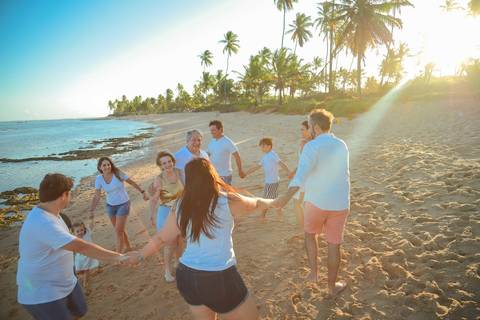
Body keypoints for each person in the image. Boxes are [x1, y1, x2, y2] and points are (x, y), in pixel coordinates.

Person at [126, 158, 276, 320]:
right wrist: (275, 202)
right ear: (212, 175)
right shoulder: (227, 200)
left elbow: (162, 237)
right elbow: (258, 203)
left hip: (187, 276)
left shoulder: (181, 204)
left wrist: (140, 255)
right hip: (219, 276)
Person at [16, 173, 124, 320]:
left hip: (66, 282)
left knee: (79, 311)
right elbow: (81, 247)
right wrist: (120, 258)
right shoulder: (43, 223)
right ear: (63, 195)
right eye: (70, 193)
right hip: (43, 293)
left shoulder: (52, 213)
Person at [274, 109, 350, 296]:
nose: (308, 128)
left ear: (316, 127)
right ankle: (332, 288)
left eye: (309, 125)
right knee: (334, 245)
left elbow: (301, 175)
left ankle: (314, 273)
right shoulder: (341, 144)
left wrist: (284, 198)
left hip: (316, 201)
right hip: (340, 203)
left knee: (310, 235)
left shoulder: (312, 147)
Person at [88, 157, 148, 253]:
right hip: (110, 206)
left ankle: (118, 254)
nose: (107, 167)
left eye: (108, 164)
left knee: (118, 231)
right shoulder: (99, 179)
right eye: (104, 165)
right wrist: (91, 210)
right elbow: (97, 196)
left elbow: (131, 182)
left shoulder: (118, 173)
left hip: (123, 204)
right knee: (119, 229)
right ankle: (128, 247)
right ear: (100, 167)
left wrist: (142, 192)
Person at [149, 151, 184, 282]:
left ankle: (178, 262)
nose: (168, 164)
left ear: (173, 162)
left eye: (169, 161)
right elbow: (153, 199)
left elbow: (187, 189)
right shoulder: (159, 179)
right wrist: (152, 215)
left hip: (180, 210)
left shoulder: (179, 172)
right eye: (164, 163)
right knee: (169, 243)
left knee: (180, 239)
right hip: (166, 212)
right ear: (160, 166)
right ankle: (167, 272)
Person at [244, 137, 291, 218]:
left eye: (263, 146)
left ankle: (262, 216)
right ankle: (279, 211)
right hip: (270, 181)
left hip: (272, 182)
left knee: (265, 200)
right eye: (261, 146)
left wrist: (289, 172)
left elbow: (281, 163)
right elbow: (257, 167)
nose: (262, 148)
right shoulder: (265, 156)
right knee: (272, 199)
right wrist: (246, 173)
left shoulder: (272, 154)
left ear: (269, 146)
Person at [289, 121, 313, 229]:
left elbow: (306, 163)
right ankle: (305, 226)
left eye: (303, 129)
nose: (301, 131)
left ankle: (303, 227)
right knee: (304, 202)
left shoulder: (307, 144)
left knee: (297, 202)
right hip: (306, 176)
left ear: (310, 129)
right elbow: (302, 162)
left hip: (305, 177)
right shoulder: (311, 142)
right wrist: (293, 171)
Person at [207, 120, 245, 184]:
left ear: (220, 130)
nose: (211, 132)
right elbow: (208, 153)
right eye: (211, 130)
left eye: (213, 130)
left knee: (225, 194)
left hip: (224, 176)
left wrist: (240, 171)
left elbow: (237, 156)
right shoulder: (213, 140)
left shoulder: (227, 142)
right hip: (213, 173)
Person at [72, 221, 100, 293]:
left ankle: (85, 283)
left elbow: (91, 225)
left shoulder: (87, 235)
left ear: (84, 229)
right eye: (77, 231)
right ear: (74, 233)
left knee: (86, 270)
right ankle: (82, 279)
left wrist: (91, 216)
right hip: (79, 257)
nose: (80, 232)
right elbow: (74, 249)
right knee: (78, 270)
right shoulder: (74, 239)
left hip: (88, 256)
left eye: (81, 230)